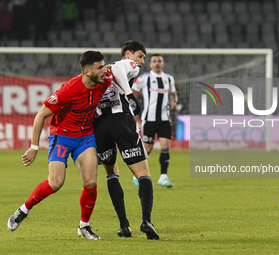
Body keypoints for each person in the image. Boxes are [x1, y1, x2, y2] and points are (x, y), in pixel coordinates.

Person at [7, 51, 113, 240]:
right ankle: (24, 209)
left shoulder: (105, 79)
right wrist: (33, 146)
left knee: (91, 182)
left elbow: (123, 69)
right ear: (87, 72)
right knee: (55, 183)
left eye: (104, 66)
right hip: (62, 136)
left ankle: (84, 226)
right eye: (99, 67)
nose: (104, 70)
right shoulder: (68, 90)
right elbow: (40, 115)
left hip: (85, 136)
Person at [94, 40, 159, 240]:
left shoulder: (98, 72)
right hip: (121, 121)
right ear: (128, 53)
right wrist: (130, 96)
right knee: (143, 174)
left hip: (99, 125)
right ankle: (146, 220)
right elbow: (119, 69)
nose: (141, 62)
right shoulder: (125, 64)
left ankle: (124, 226)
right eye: (140, 56)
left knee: (111, 172)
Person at [131, 54, 178, 187]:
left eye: (159, 61)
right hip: (149, 119)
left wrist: (174, 101)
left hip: (165, 119)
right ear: (150, 64)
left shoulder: (169, 79)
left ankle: (163, 176)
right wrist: (130, 106)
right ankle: (138, 173)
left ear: (163, 64)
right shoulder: (145, 78)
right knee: (148, 147)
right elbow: (132, 91)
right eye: (154, 61)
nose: (157, 63)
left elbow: (174, 93)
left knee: (165, 146)